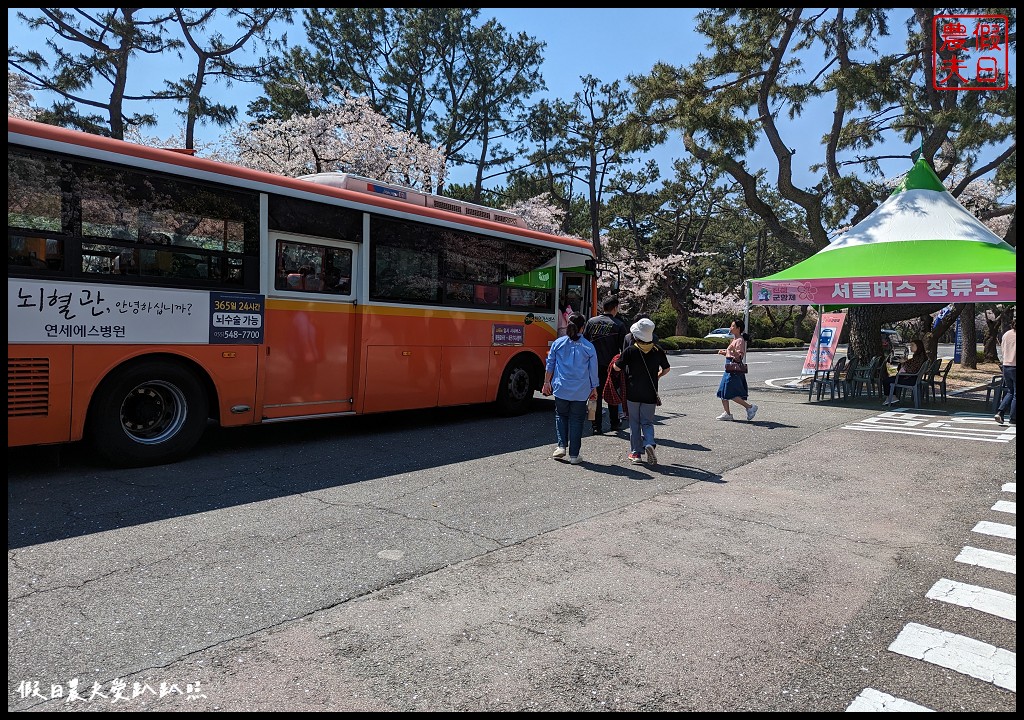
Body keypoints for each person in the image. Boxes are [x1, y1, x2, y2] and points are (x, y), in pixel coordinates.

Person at [542, 312, 599, 465]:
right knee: (577, 419)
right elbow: (593, 370)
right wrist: (594, 387)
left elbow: (550, 364)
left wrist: (547, 382)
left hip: (561, 387)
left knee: (561, 415)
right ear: (583, 328)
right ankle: (574, 455)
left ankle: (561, 446)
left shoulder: (558, 343)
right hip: (581, 390)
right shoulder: (589, 347)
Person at [612, 318, 670, 465]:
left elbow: (617, 368)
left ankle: (636, 453)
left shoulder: (631, 350)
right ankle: (649, 442)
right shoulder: (658, 350)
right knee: (647, 422)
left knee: (634, 423)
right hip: (650, 393)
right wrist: (658, 375)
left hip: (633, 392)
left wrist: (614, 364)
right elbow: (667, 368)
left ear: (636, 335)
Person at [583, 295, 628, 434]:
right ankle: (614, 424)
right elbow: (624, 349)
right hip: (611, 367)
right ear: (615, 308)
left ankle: (595, 426)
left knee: (593, 396)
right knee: (612, 394)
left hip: (592, 366)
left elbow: (584, 343)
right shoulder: (618, 324)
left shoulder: (591, 322)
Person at [715, 318, 757, 421]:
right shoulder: (734, 339)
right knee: (722, 391)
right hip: (729, 367)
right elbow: (731, 354)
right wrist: (724, 352)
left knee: (730, 392)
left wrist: (733, 351)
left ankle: (750, 407)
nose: (731, 328)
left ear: (738, 329)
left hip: (733, 370)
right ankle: (727, 413)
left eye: (733, 326)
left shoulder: (740, 340)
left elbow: (739, 357)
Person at [881, 337, 927, 406]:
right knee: (891, 379)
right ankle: (892, 396)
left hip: (910, 379)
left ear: (918, 346)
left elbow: (911, 370)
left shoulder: (918, 358)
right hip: (912, 378)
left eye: (912, 345)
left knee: (887, 380)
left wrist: (904, 362)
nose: (910, 347)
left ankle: (891, 397)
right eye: (910, 345)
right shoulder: (919, 356)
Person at [995, 317, 1016, 425]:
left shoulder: (1006, 334)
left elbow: (1003, 350)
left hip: (1006, 365)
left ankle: (1000, 412)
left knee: (1010, 391)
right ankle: (1013, 418)